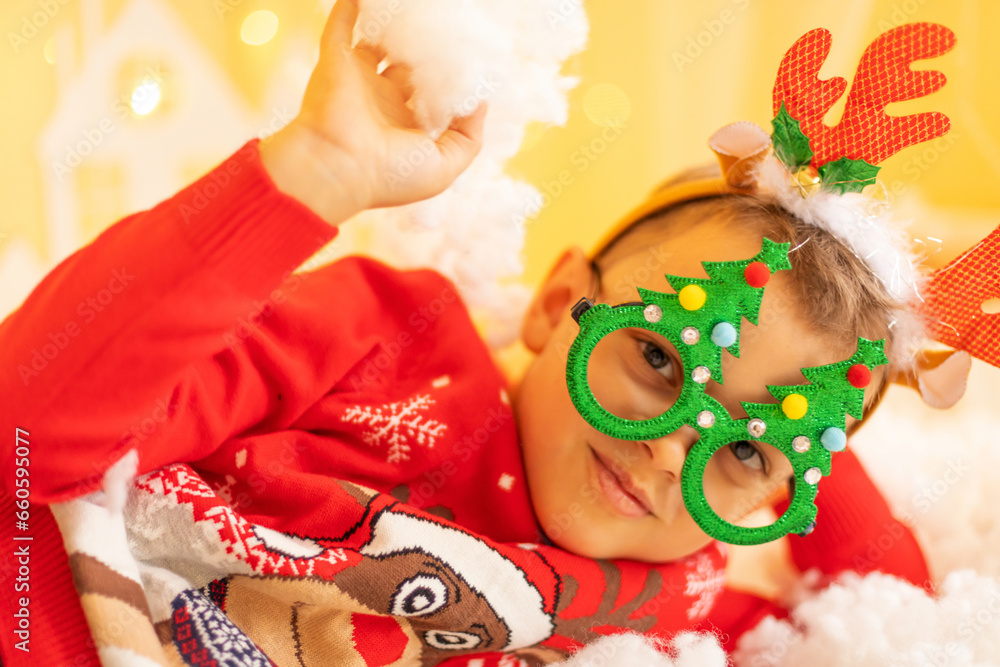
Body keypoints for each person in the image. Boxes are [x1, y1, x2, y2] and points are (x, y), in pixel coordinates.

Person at [0, 0, 930, 664]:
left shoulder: (680, 606)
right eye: (659, 358)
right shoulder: (389, 335)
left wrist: (794, 419)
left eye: (744, 455)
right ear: (557, 299)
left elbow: (892, 615)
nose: (666, 452)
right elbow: (33, 434)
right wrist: (310, 176)